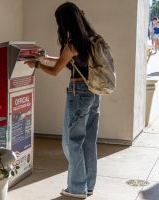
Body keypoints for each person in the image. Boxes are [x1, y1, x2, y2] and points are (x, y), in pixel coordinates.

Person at [25, 2, 101, 199]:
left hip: (78, 94)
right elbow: (69, 63)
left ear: (64, 21)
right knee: (88, 142)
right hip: (94, 93)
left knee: (72, 142)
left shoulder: (72, 44)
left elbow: (55, 71)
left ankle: (76, 188)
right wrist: (47, 57)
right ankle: (88, 186)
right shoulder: (91, 39)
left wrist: (37, 65)